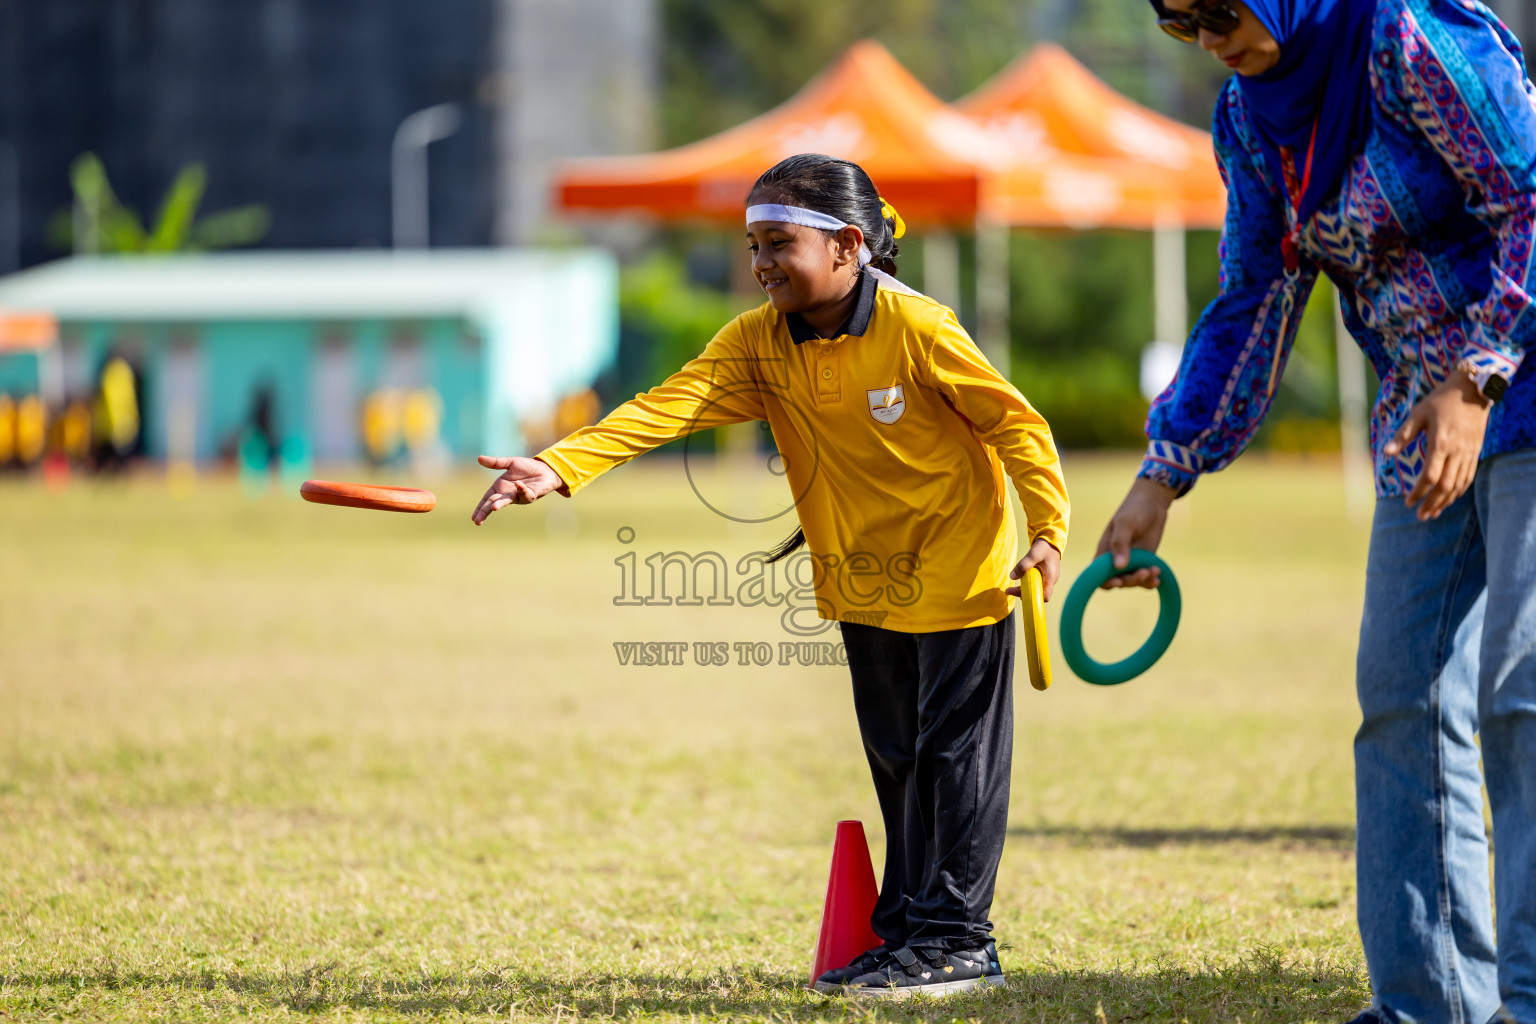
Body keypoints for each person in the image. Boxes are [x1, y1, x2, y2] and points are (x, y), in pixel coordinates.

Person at [470, 153, 1070, 998]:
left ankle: (961, 944)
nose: (760, 265)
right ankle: (905, 936)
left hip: (962, 572)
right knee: (899, 760)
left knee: (953, 759)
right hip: (862, 581)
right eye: (754, 245)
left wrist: (1047, 530)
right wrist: (558, 466)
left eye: (778, 243)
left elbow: (1020, 428)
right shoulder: (757, 341)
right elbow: (665, 406)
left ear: (849, 245)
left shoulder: (918, 326)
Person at [1115, 2, 1536, 1023]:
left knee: (1523, 691)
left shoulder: (1410, 36)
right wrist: (1163, 471)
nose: (1210, 36)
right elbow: (1254, 298)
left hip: (1520, 382)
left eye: (1220, 9)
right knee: (1402, 698)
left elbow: (1530, 200)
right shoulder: (1252, 120)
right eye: (1180, 24)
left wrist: (1476, 378)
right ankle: (1429, 1001)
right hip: (1416, 417)